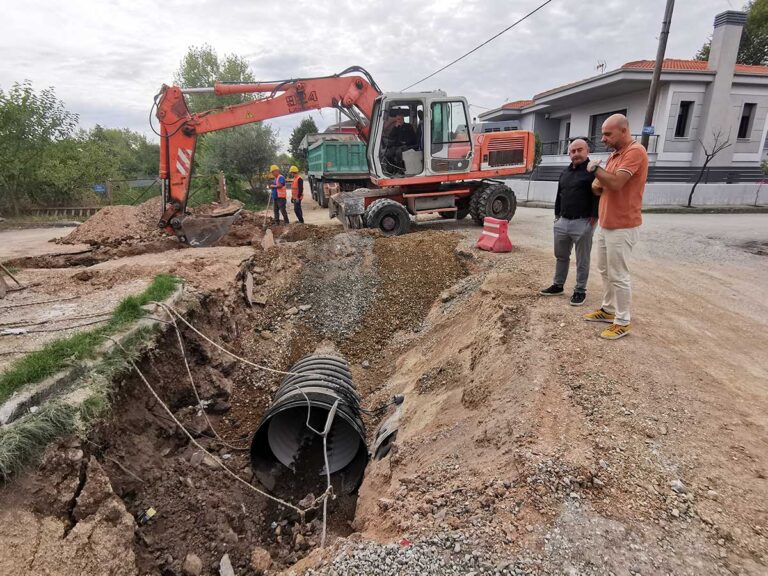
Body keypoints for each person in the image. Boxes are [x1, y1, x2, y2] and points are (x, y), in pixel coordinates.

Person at [583, 114, 648, 340]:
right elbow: (597, 188)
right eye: (603, 134)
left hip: (623, 225)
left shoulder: (635, 152)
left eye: (608, 134)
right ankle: (608, 309)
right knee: (604, 269)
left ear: (624, 130)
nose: (603, 139)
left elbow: (616, 183)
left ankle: (623, 321)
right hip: (606, 222)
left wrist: (594, 170)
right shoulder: (613, 157)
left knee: (619, 274)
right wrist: (601, 177)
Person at [540, 138, 598, 306]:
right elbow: (560, 195)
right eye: (573, 151)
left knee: (582, 259)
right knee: (561, 256)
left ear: (587, 151)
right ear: (569, 154)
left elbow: (599, 195)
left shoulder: (593, 172)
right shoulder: (565, 173)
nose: (576, 154)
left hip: (583, 222)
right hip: (562, 222)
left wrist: (593, 219)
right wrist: (557, 216)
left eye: (580, 150)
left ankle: (580, 290)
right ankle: (558, 285)